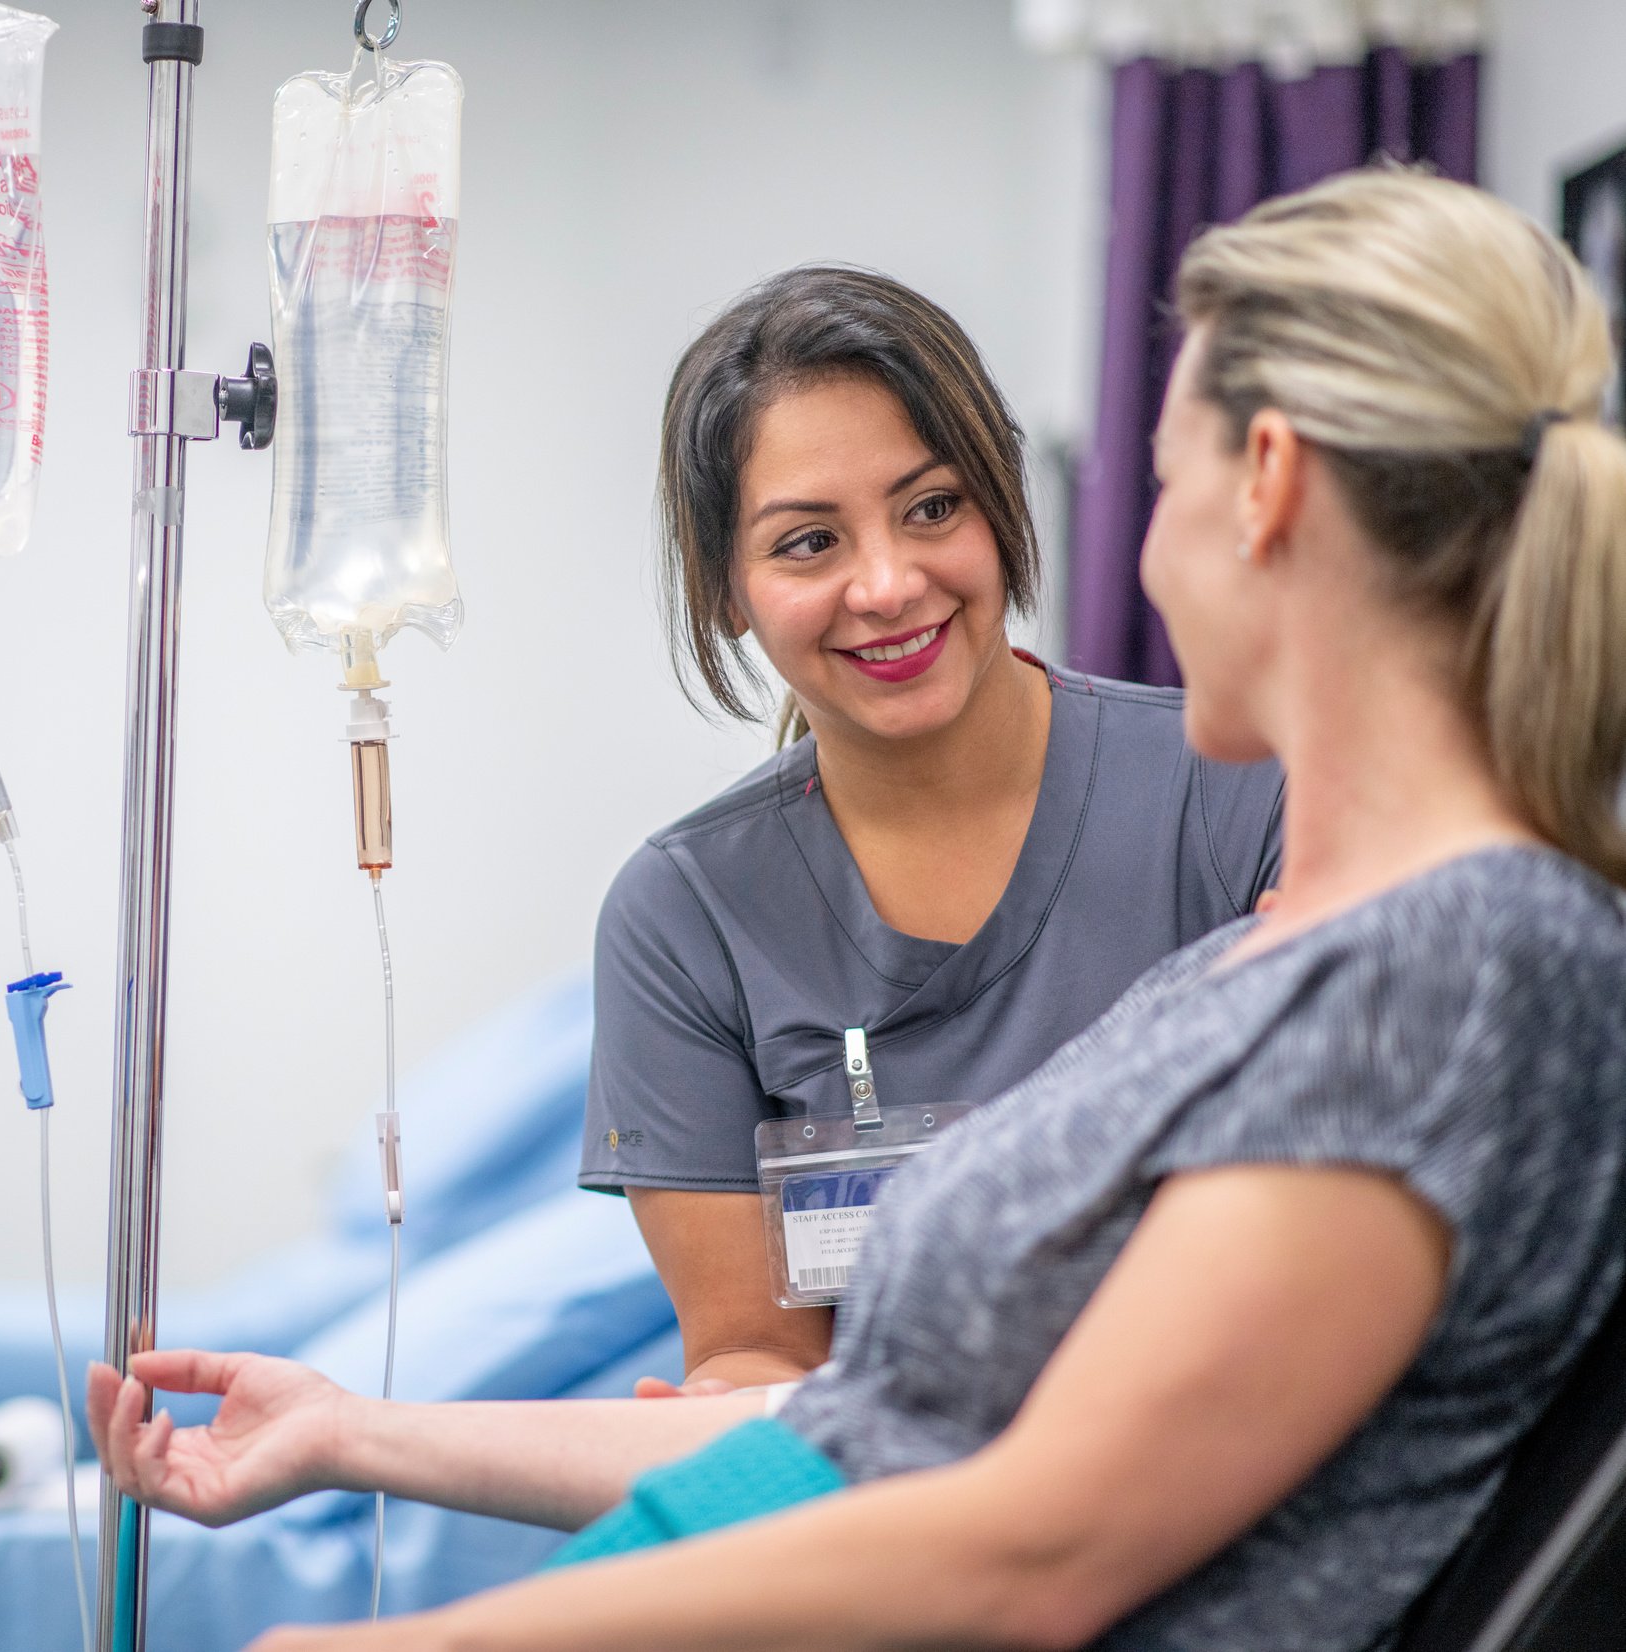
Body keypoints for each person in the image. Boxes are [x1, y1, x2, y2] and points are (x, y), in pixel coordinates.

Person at [90, 168, 1626, 1651]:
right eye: (808, 541)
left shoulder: (1447, 963)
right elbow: (863, 1430)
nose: (887, 585)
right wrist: (360, 1434)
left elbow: (1036, 1545)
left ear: (1269, 486)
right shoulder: (1288, 967)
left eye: (1158, 481)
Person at [578, 265, 1284, 1388]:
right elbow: (756, 1352)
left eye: (930, 507)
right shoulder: (684, 916)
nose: (887, 582)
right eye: (808, 543)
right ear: (725, 588)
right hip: (898, 1513)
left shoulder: (1242, 789)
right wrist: (717, 1417)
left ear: (999, 502)